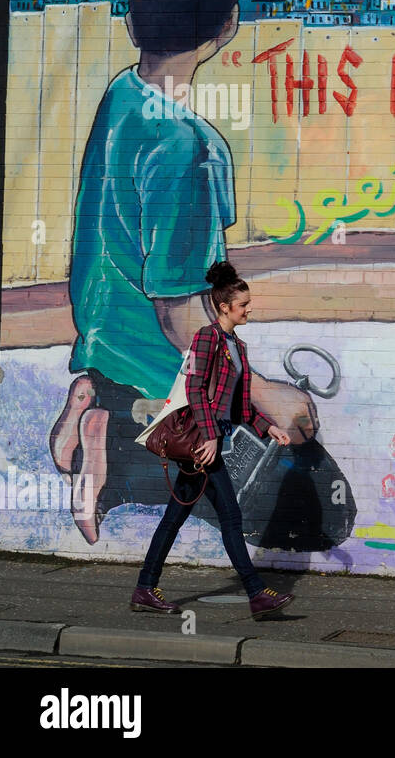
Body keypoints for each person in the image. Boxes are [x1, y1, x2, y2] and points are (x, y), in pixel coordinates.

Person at [50, 0, 318, 544]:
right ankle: (118, 443)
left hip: (104, 339)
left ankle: (98, 396)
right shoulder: (192, 150)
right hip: (162, 369)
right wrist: (261, 393)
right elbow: (177, 313)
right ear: (224, 30)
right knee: (314, 514)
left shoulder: (122, 95)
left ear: (133, 16)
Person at [131, 261, 296, 619]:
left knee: (175, 517)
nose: (249, 308)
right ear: (224, 307)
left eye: (248, 303)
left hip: (209, 442)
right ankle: (256, 593)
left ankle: (145, 587)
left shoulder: (237, 345)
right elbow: (194, 388)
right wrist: (209, 438)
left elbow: (237, 404)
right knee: (232, 518)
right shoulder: (207, 337)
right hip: (201, 445)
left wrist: (268, 427)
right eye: (243, 305)